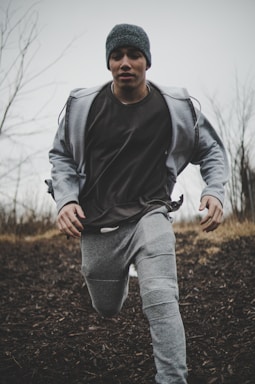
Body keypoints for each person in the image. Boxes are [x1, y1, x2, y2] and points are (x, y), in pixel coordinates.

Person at [47, 23, 228, 384]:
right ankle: (119, 274)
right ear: (109, 63)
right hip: (98, 224)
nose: (125, 62)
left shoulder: (174, 106)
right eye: (117, 56)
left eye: (134, 54)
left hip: (151, 213)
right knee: (107, 307)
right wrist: (65, 200)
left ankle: (172, 378)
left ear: (147, 61)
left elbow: (210, 150)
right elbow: (61, 156)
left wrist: (215, 190)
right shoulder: (84, 107)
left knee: (162, 296)